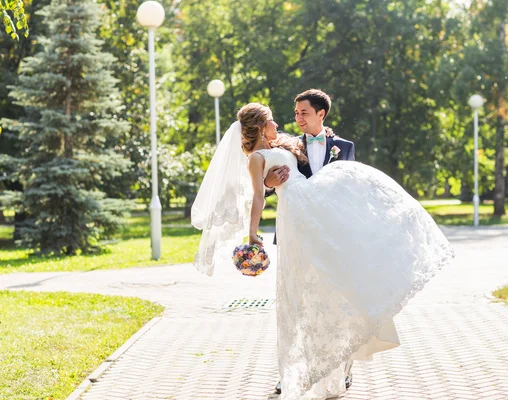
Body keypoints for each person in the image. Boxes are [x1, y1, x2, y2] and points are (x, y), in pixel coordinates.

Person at [191, 103, 455, 400]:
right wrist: (253, 230)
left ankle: (340, 364)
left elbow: (299, 159)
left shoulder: (293, 143)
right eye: (272, 120)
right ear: (260, 126)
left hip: (322, 209)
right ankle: (301, 371)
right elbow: (258, 198)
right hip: (297, 216)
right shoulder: (255, 158)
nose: (280, 123)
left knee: (340, 283)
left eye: (300, 113)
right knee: (305, 291)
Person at [264, 89, 356, 395]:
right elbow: (262, 176)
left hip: (332, 239)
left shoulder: (344, 147)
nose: (298, 118)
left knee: (336, 305)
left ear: (321, 114)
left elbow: (351, 191)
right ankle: (290, 374)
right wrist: (269, 183)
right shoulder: (286, 145)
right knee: (296, 306)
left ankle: (339, 371)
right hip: (296, 237)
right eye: (296, 113)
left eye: (304, 112)